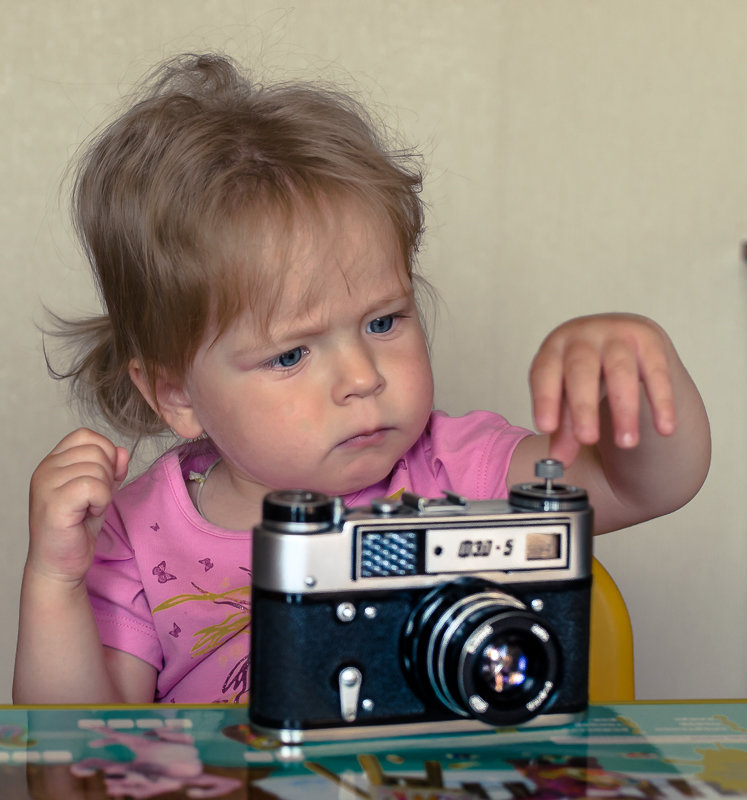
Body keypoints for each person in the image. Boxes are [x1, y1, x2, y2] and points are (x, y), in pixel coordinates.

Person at [13, 53, 710, 705]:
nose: (360, 378)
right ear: (176, 394)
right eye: (290, 356)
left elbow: (638, 483)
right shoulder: (139, 536)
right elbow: (82, 756)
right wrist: (55, 581)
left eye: (382, 322)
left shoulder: (458, 471)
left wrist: (636, 369)